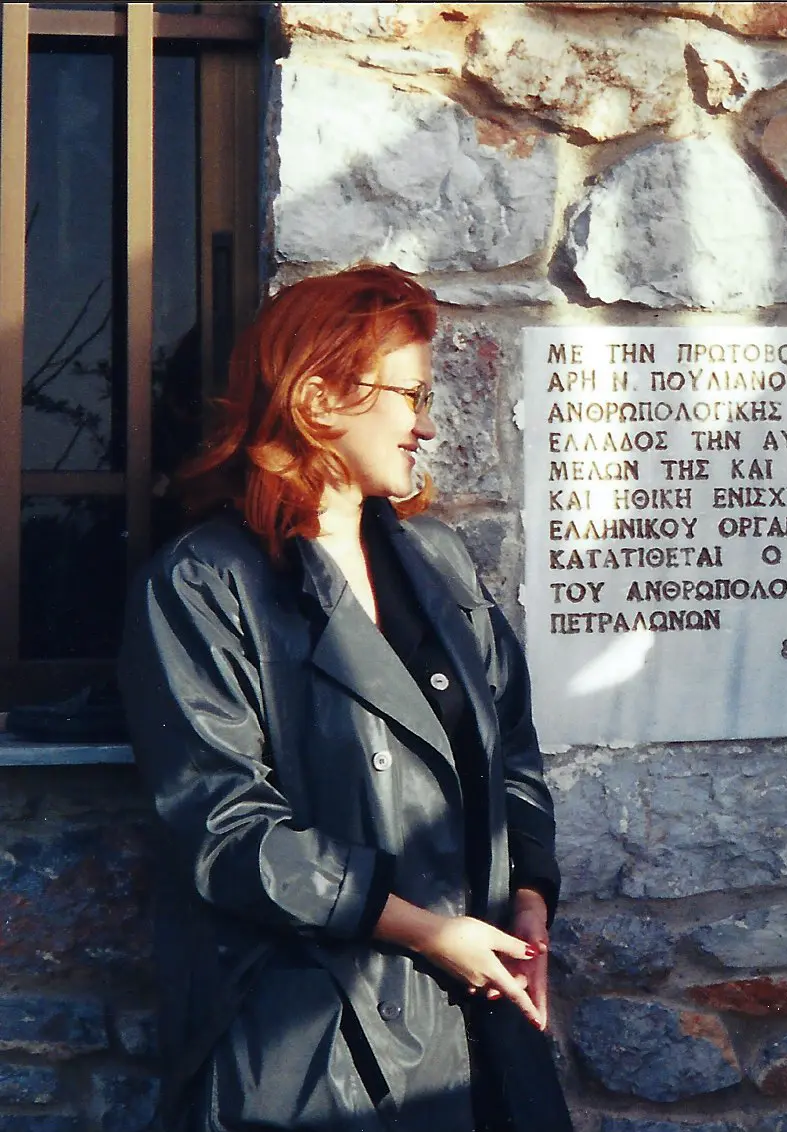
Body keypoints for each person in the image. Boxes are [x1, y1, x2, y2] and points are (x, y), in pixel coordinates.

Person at [120, 264, 571, 1132]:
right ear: (321, 399)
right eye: (410, 395)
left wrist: (528, 904)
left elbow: (512, 752)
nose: (427, 425)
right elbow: (228, 830)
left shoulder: (437, 562)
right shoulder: (204, 586)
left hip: (482, 1028)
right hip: (314, 1043)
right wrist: (426, 932)